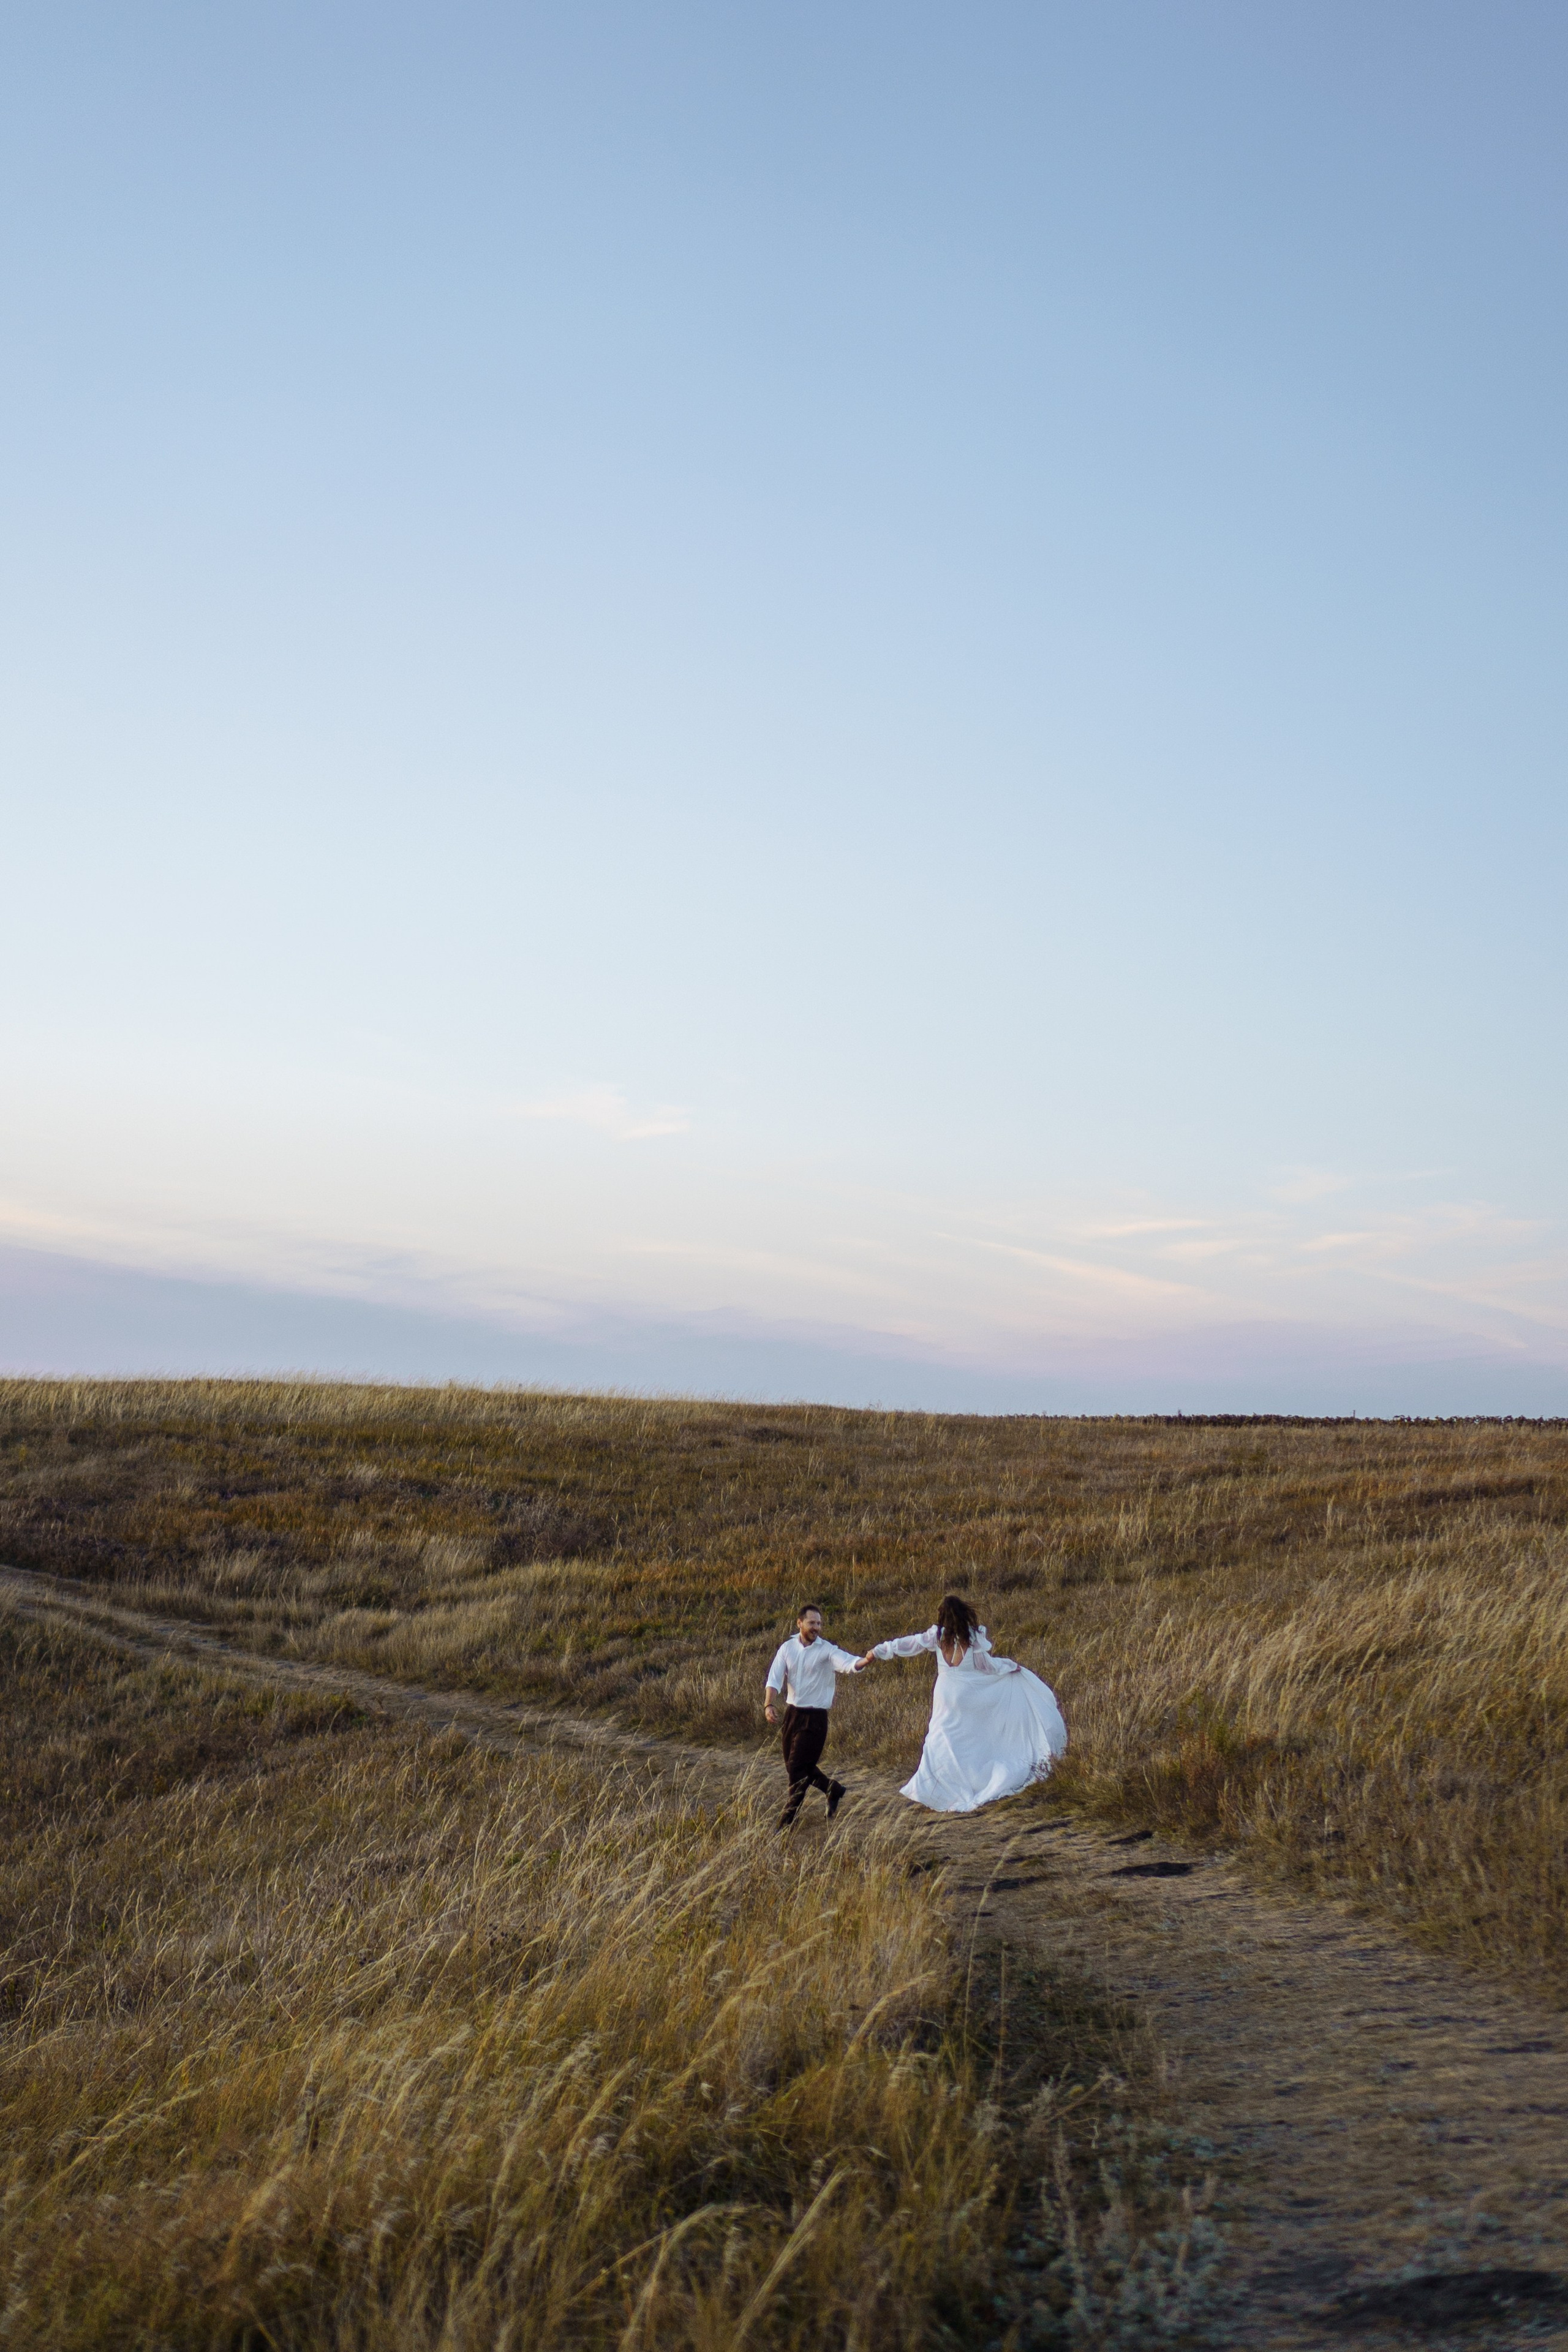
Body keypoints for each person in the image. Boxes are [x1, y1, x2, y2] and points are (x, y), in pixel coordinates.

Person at [857, 1593, 1066, 1813]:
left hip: (945, 1693)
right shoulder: (972, 1638)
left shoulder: (936, 1637)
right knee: (969, 1740)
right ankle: (971, 1780)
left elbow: (907, 1644)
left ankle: (934, 1788)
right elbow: (987, 1666)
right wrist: (1009, 1666)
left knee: (939, 1737)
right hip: (969, 1694)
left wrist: (876, 1652)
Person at [764, 1603, 864, 1828]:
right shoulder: (787, 1648)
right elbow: (774, 1678)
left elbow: (846, 1662)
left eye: (819, 1623)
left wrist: (862, 1662)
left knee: (797, 1769)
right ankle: (833, 1789)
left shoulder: (826, 1650)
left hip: (815, 1719)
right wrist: (768, 1704)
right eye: (812, 1623)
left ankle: (787, 1821)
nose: (816, 1627)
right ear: (800, 1623)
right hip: (792, 1715)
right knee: (795, 1767)